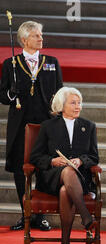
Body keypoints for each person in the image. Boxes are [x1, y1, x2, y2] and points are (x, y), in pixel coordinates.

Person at [0, 21, 63, 231]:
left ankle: (40, 215)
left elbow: (60, 91)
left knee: (44, 167)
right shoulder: (11, 64)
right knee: (20, 169)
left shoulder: (51, 62)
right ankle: (25, 214)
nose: (41, 39)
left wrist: (59, 110)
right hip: (21, 126)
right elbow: (2, 95)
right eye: (37, 36)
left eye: (41, 35)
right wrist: (12, 92)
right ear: (25, 39)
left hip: (46, 124)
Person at [30, 87, 98, 244]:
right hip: (51, 177)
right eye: (73, 102)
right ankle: (85, 216)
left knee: (65, 190)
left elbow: (94, 157)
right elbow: (36, 157)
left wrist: (81, 160)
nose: (78, 106)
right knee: (65, 172)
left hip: (79, 179)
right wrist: (52, 161)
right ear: (62, 105)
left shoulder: (88, 126)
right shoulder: (47, 126)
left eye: (79, 102)